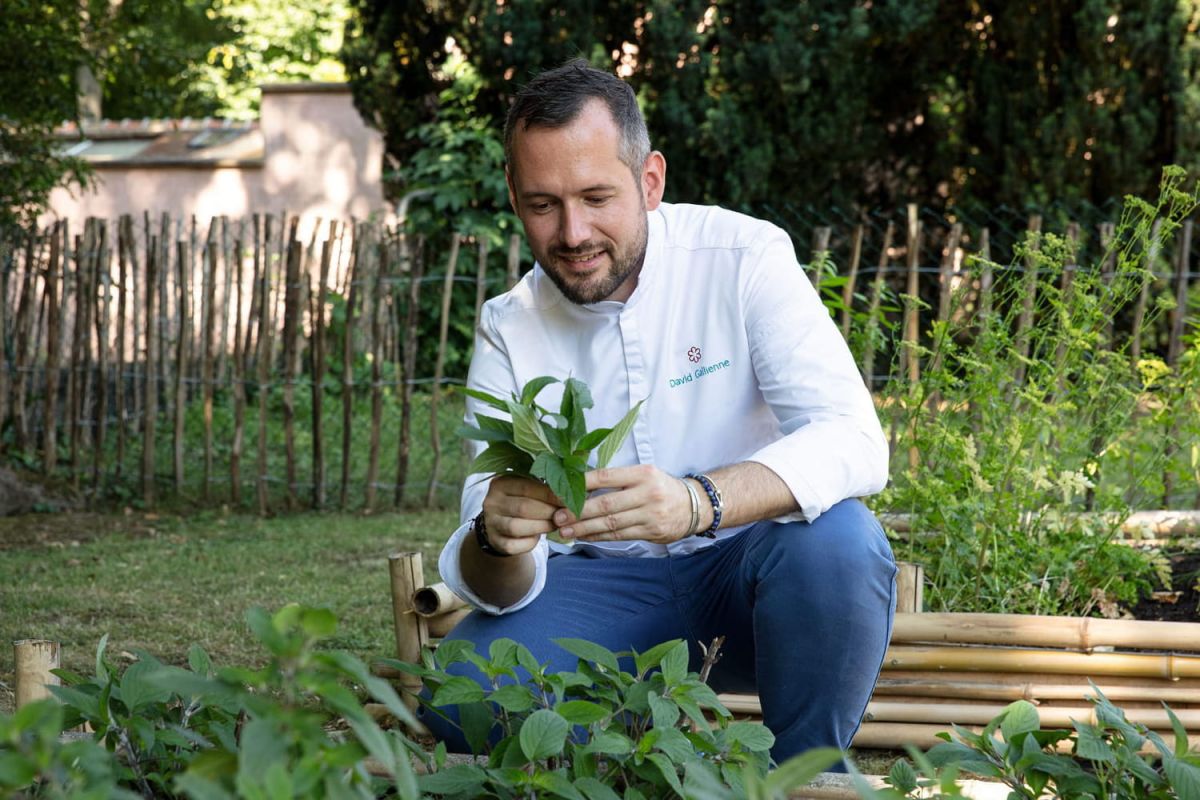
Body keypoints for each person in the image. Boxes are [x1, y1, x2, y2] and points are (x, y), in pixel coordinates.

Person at [429, 58, 896, 763]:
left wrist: (698, 501)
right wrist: (497, 540)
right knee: (463, 688)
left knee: (840, 543)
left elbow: (855, 439)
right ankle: (652, 763)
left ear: (650, 181)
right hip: (597, 594)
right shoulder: (510, 325)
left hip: (753, 579)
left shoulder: (743, 257)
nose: (573, 232)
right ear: (513, 195)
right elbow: (496, 573)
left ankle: (803, 773)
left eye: (595, 196)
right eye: (542, 204)